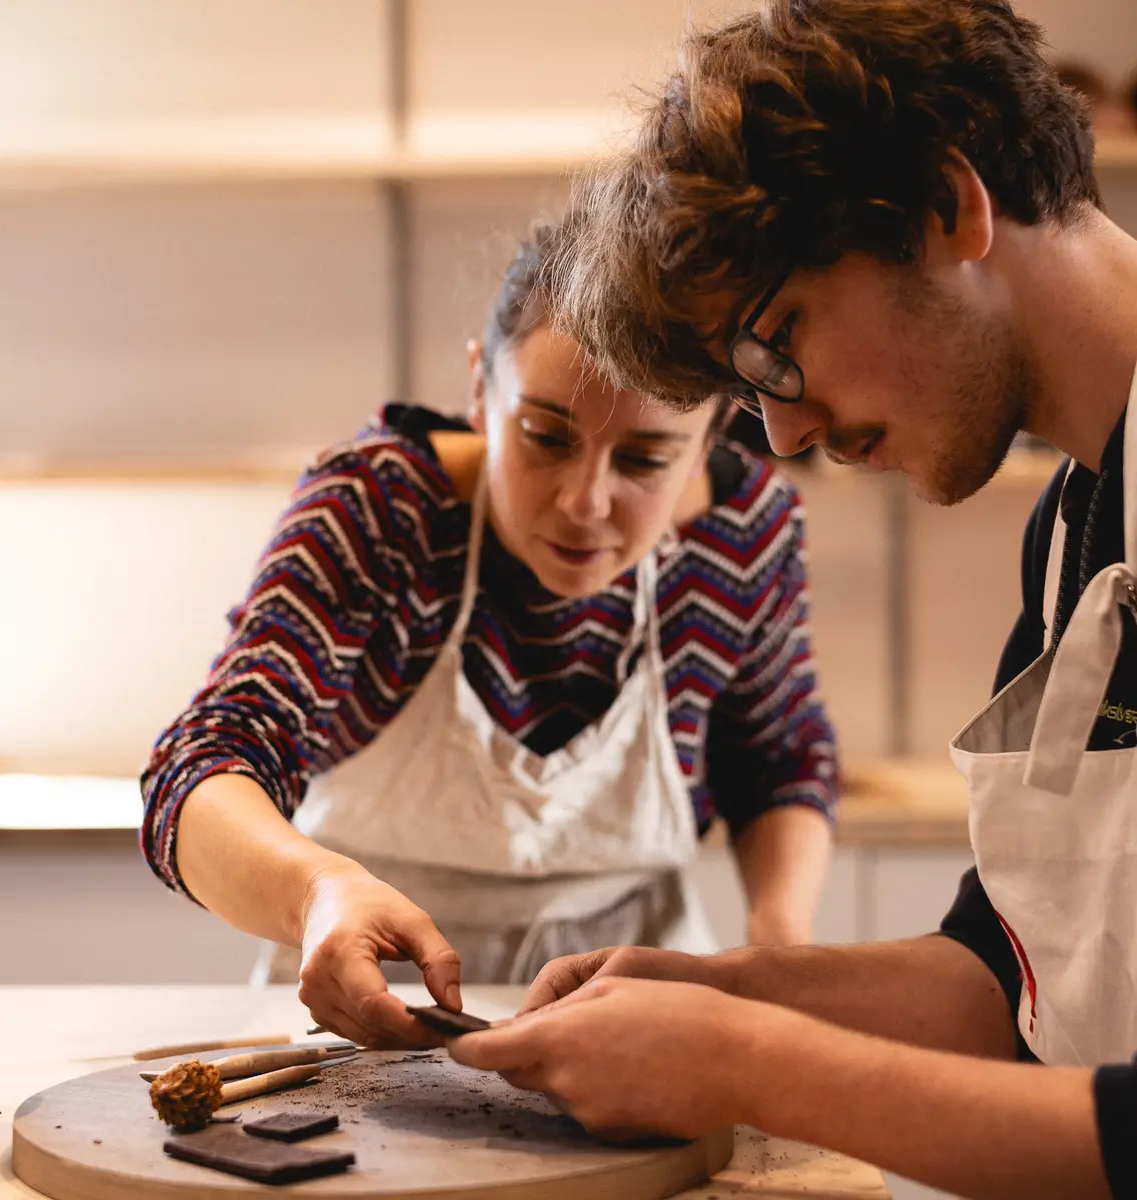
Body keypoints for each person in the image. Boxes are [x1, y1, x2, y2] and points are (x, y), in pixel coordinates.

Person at [445, 3, 1137, 1197]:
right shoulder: (1075, 531)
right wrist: (722, 990)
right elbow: (1007, 975)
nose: (783, 432)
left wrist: (747, 1062)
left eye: (776, 348)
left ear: (946, 205)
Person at [139, 225, 839, 1049]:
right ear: (481, 390)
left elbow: (779, 761)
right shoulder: (378, 512)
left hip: (637, 1002)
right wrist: (317, 894)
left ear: (709, 442)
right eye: (546, 437)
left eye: (646, 459)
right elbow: (202, 765)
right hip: (367, 1005)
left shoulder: (741, 536)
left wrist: (780, 941)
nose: (585, 502)